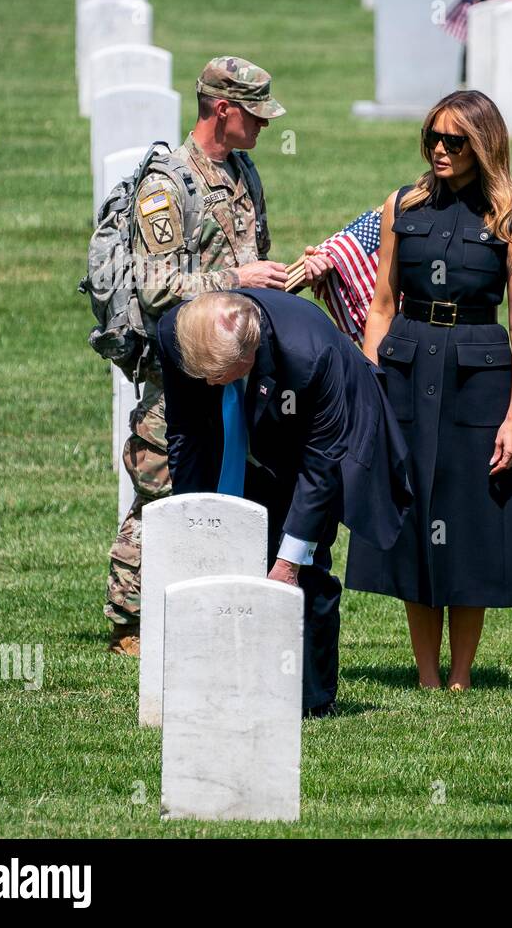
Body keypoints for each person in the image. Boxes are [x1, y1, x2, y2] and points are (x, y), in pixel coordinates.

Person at [102, 56, 301, 655]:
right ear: (223, 110)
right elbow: (157, 287)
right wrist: (238, 277)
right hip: (182, 366)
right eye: (256, 115)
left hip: (236, 362)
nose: (265, 126)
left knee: (231, 481)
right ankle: (129, 620)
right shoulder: (167, 185)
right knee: (160, 483)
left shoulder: (245, 174)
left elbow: (250, 253)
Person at [345, 90, 512, 691]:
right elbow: (380, 305)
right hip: (406, 368)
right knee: (415, 516)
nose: (438, 149)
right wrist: (372, 385)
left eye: (454, 141)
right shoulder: (401, 205)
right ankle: (426, 675)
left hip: (476, 379)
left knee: (467, 516)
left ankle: (460, 676)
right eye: (432, 137)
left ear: (483, 145)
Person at [155, 290, 413, 717]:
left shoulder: (311, 355)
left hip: (309, 440)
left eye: (218, 375)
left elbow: (320, 465)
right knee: (224, 553)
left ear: (250, 354)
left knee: (304, 568)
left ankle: (310, 700)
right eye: (201, 374)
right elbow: (185, 431)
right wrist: (194, 519)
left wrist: (288, 564)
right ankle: (224, 684)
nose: (208, 383)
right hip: (244, 436)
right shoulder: (176, 333)